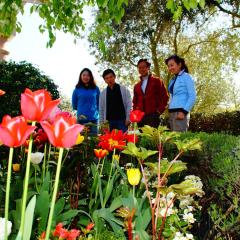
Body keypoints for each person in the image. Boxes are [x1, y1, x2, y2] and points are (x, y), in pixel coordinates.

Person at [133, 59, 169, 128]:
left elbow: (165, 97)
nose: (141, 69)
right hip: (140, 118)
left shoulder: (157, 81)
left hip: (153, 116)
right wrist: (136, 114)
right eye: (139, 67)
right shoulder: (136, 86)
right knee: (143, 138)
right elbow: (135, 102)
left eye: (144, 67)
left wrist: (159, 111)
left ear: (148, 67)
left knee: (153, 138)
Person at [165, 55, 196, 132]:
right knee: (172, 141)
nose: (170, 68)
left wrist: (184, 112)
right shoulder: (173, 79)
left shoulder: (186, 77)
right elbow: (172, 95)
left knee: (179, 140)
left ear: (179, 64)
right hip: (172, 112)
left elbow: (192, 96)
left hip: (181, 112)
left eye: (172, 65)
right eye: (168, 66)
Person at [72, 68, 100, 135]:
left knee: (93, 141)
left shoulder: (96, 88)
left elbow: (99, 103)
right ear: (80, 76)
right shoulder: (77, 89)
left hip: (94, 120)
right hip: (81, 119)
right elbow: (74, 105)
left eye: (88, 75)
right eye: (84, 75)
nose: (85, 77)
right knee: (81, 141)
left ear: (90, 77)